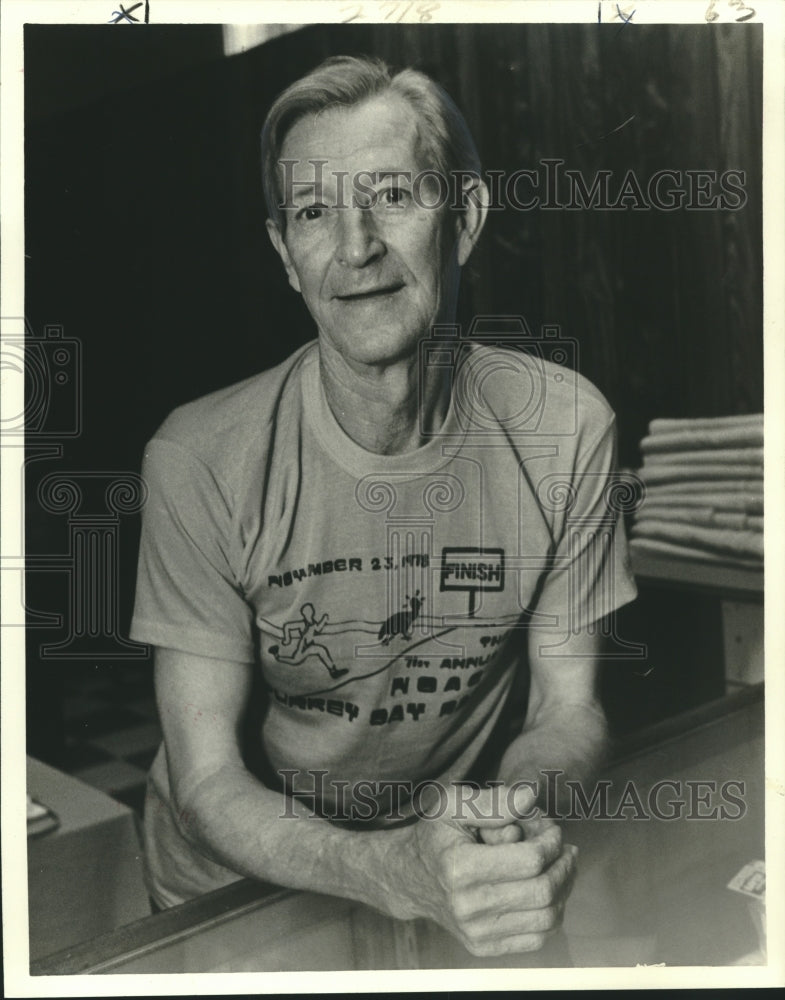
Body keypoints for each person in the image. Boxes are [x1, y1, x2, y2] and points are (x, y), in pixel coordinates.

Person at [130, 54, 638, 960]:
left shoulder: (567, 428)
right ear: (286, 254)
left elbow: (568, 708)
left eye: (391, 195)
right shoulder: (196, 458)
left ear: (465, 218)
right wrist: (387, 867)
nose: (355, 247)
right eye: (315, 212)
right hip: (241, 881)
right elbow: (207, 783)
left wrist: (506, 815)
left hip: (442, 852)